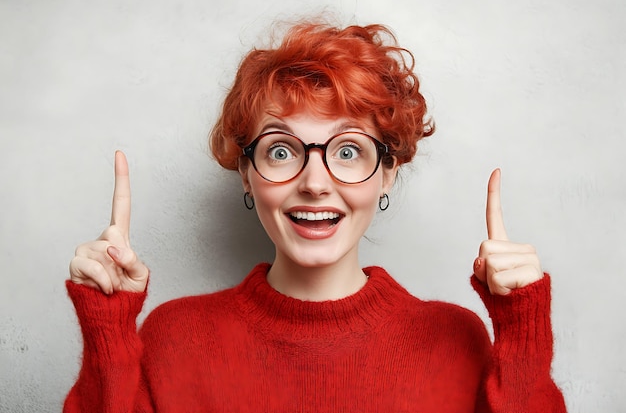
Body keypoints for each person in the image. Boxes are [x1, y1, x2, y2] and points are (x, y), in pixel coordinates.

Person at [64, 21, 566, 412]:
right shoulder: (172, 338)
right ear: (245, 170)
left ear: (387, 173)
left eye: (348, 151)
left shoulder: (457, 340)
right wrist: (108, 328)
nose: (315, 181)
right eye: (281, 151)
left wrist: (521, 330)